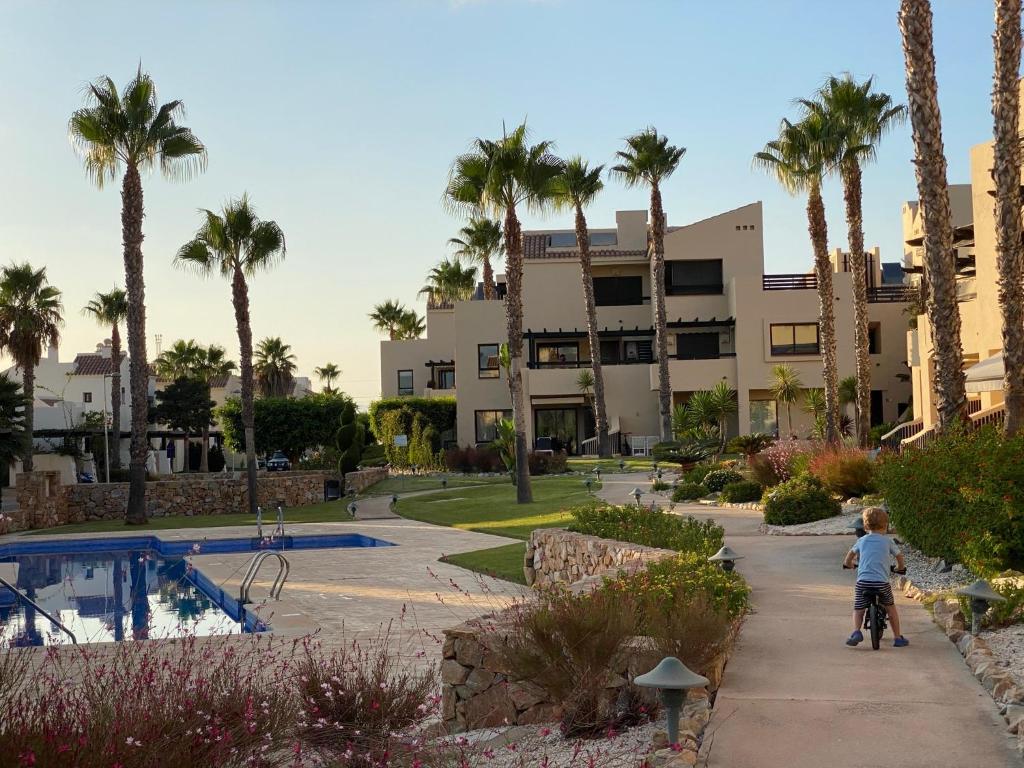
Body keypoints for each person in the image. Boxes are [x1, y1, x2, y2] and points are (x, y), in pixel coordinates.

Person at [842, 506, 909, 648]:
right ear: (886, 525)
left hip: (863, 583)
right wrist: (900, 568)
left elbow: (849, 557)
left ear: (865, 525)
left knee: (858, 608)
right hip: (881, 583)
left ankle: (856, 632)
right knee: (890, 608)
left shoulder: (862, 540)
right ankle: (897, 638)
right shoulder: (888, 541)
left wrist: (848, 564)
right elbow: (899, 556)